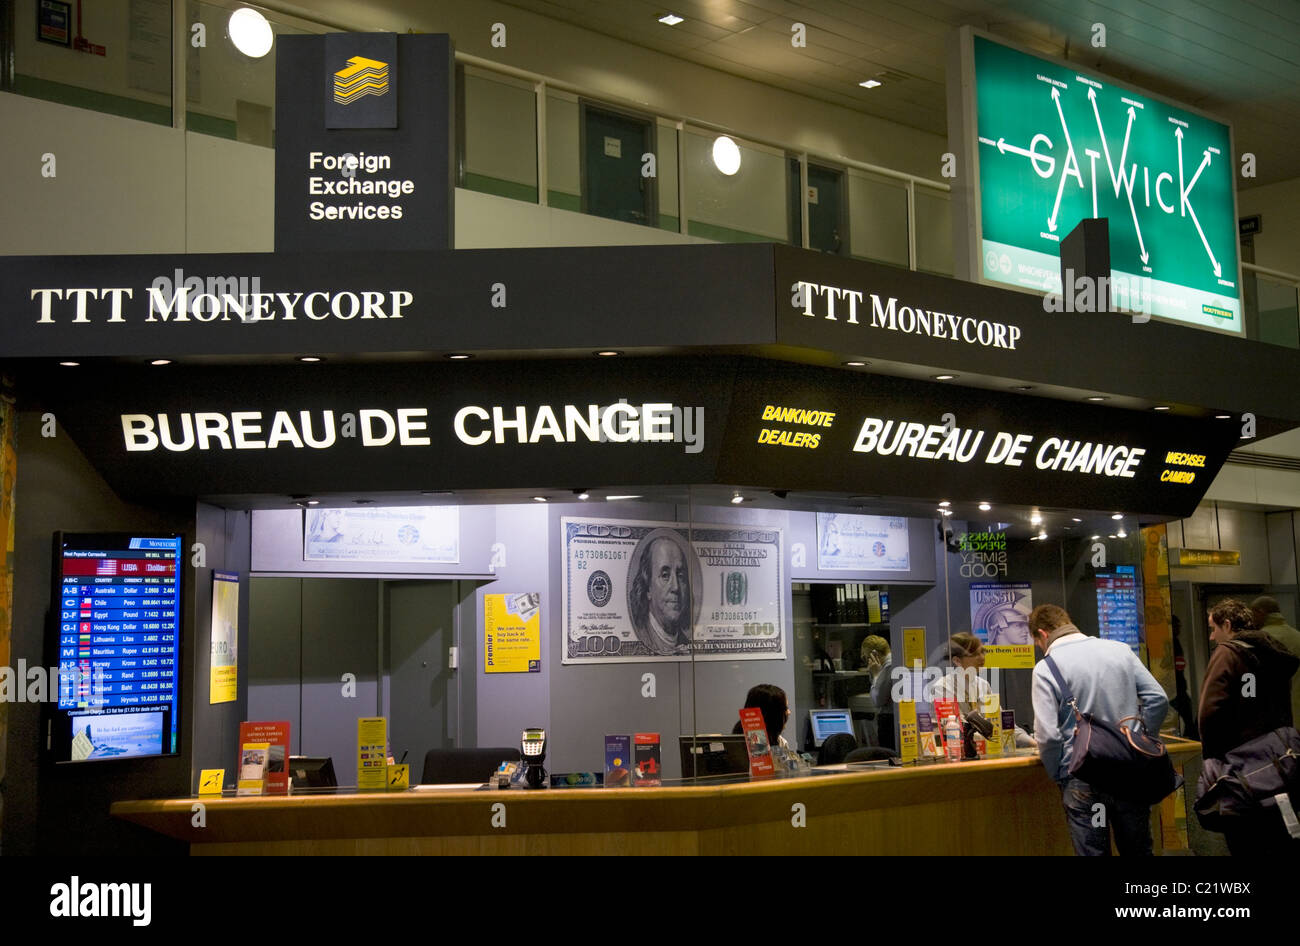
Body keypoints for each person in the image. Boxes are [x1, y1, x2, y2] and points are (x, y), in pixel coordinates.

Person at [1029, 603, 1168, 856]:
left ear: (1043, 634)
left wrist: (1058, 772)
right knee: (1138, 851)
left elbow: (1048, 735)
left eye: (1038, 643)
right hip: (1130, 769)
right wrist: (1143, 740)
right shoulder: (1120, 650)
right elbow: (1158, 699)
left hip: (1083, 775)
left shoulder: (1046, 668)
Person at [1197, 598, 1298, 856]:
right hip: (1278, 759)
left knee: (1245, 838)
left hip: (1240, 765)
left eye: (1213, 628)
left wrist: (1212, 760)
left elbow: (1209, 712)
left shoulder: (1227, 653)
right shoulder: (1272, 649)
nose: (1211, 637)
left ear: (1227, 625)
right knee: (1279, 834)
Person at [628, 532, 693, 654]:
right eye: (665, 576)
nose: (676, 587)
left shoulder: (686, 643)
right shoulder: (641, 636)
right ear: (648, 588)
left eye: (680, 575)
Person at [1249, 596, 1300, 727]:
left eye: (1252, 614)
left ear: (1260, 612)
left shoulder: (1262, 640)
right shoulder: (1297, 635)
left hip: (1281, 718)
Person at [734, 683, 804, 771]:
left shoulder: (780, 741)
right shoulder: (752, 744)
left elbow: (792, 769)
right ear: (773, 714)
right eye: (785, 708)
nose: (789, 712)